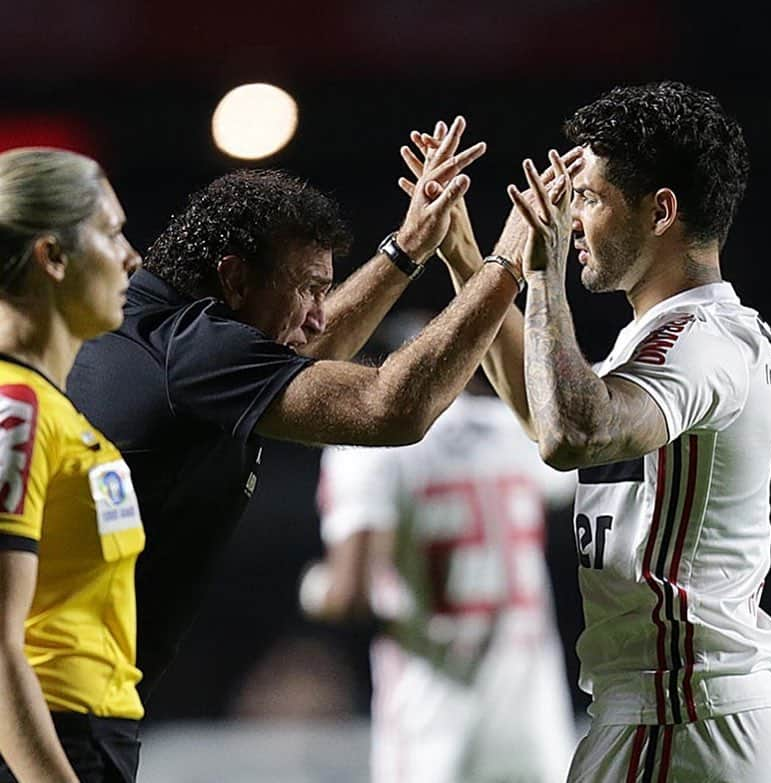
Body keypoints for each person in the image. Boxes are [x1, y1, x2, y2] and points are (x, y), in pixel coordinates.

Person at [65, 116, 528, 702]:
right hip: (62, 691)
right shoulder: (195, 354)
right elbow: (390, 409)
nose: (318, 314)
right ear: (233, 278)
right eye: (308, 289)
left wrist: (405, 252)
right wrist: (505, 265)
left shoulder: (146, 327)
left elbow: (300, 353)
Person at [419, 83, 771, 782]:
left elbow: (572, 435)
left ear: (660, 211)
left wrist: (542, 273)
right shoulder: (666, 336)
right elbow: (549, 414)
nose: (571, 217)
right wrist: (467, 258)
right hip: (676, 710)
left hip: (679, 711)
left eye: (588, 197)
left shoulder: (700, 339)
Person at [299, 311, 578, 783]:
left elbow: (352, 594)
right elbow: (568, 473)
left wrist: (314, 589)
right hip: (533, 719)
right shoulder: (511, 431)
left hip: (433, 720)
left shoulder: (370, 450)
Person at [0, 148, 144, 782]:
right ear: (52, 257)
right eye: (111, 233)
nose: (132, 256)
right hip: (51, 741)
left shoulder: (51, 410)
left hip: (88, 735)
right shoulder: (16, 409)